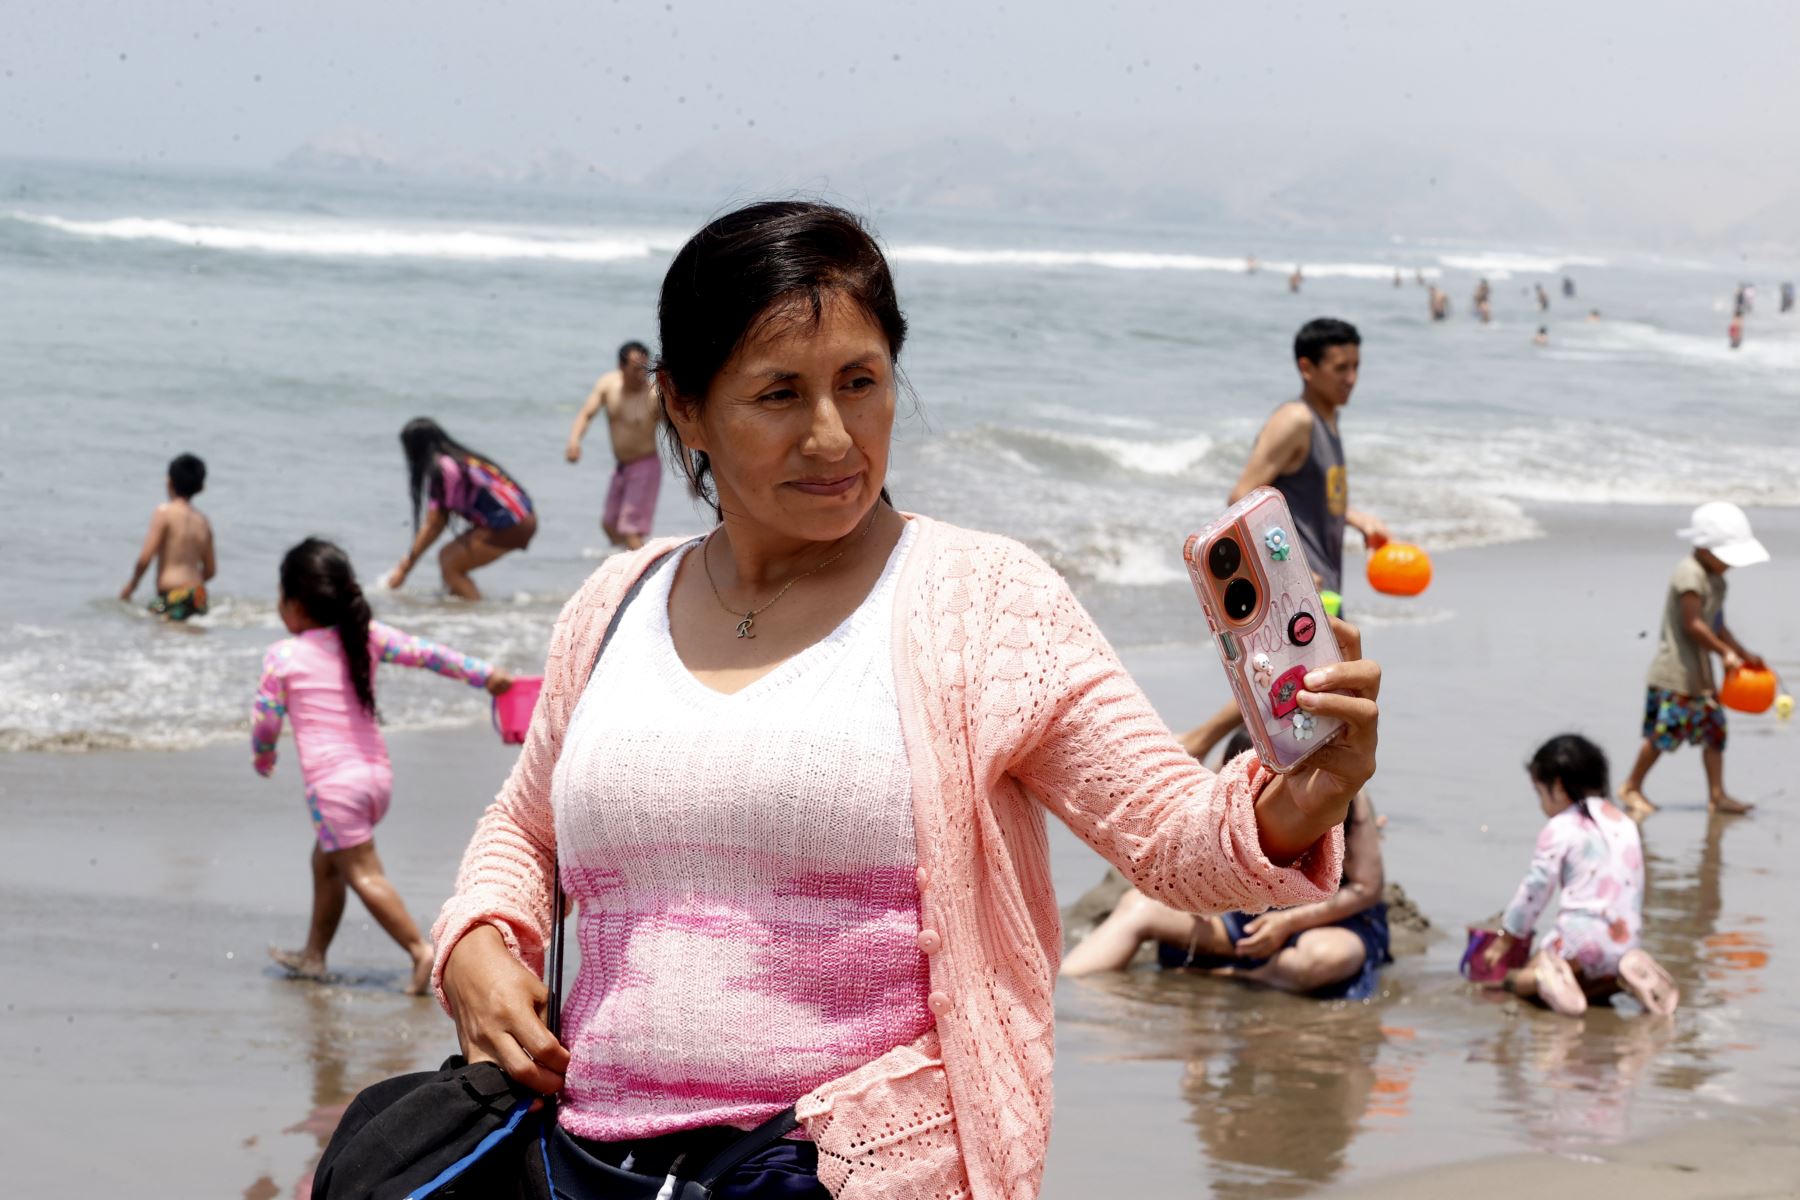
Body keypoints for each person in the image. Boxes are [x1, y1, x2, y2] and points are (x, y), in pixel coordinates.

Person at [429, 201, 1382, 1200]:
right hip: (590, 1161)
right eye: (779, 394)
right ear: (686, 408)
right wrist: (479, 940)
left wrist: (1299, 798)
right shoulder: (613, 605)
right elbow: (525, 824)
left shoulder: (985, 601)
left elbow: (1170, 836)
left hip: (856, 1169)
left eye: (860, 382)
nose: (832, 435)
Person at [253, 538, 512, 994]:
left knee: (363, 872)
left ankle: (420, 951)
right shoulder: (366, 636)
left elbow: (265, 719)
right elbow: (428, 654)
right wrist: (484, 674)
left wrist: (264, 755)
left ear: (293, 604)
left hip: (334, 790)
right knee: (327, 861)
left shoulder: (284, 656)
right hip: (376, 780)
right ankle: (314, 956)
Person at [1062, 727, 1392, 1000]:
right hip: (1244, 916)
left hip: (1324, 920)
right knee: (1138, 909)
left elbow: (1367, 888)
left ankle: (1234, 977)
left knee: (1323, 959)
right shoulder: (1236, 768)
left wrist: (1287, 924)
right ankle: (1062, 991)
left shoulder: (1342, 795)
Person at [1479, 735, 1679, 1018]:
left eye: (1540, 794)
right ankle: (1623, 979)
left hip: (1579, 945)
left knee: (1515, 982)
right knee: (1600, 970)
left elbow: (1535, 889)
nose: (1541, 805)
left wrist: (1506, 938)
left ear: (1558, 787)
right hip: (1626, 941)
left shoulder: (1560, 827)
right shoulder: (1625, 823)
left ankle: (1542, 981)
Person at [1619, 503, 1769, 818]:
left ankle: (1717, 795)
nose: (1730, 565)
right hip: (1676, 674)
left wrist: (1742, 652)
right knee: (1662, 735)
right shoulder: (1689, 574)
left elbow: (1716, 624)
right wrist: (1724, 653)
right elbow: (1694, 624)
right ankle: (1631, 786)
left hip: (1701, 677)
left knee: (1715, 732)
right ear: (1704, 548)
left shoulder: (1717, 580)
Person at [1228, 317, 1390, 600]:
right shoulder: (1296, 420)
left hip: (1324, 592)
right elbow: (1240, 501)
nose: (1351, 379)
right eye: (1341, 368)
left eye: (1356, 367)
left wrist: (1354, 518)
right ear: (1306, 368)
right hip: (1297, 598)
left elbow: (1307, 499)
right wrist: (1291, 569)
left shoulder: (1328, 419)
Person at [385, 418, 537, 600]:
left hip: (512, 523)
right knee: (446, 556)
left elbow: (435, 524)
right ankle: (463, 613)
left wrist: (405, 567)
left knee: (452, 566)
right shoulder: (463, 459)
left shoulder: (444, 469)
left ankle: (477, 616)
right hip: (523, 518)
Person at [566, 340, 663, 551]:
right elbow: (587, 414)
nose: (642, 374)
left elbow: (679, 431)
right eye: (636, 368)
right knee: (610, 525)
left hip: (645, 466)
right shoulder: (608, 385)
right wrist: (574, 441)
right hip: (621, 467)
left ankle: (643, 575)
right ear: (621, 367)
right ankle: (635, 561)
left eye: (645, 368)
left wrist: (693, 473)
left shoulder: (654, 395)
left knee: (630, 530)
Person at [119, 452, 216, 621]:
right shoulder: (203, 521)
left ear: (169, 481)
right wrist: (190, 587)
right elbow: (210, 570)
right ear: (200, 488)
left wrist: (131, 586)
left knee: (154, 626)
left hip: (172, 596)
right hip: (198, 595)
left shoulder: (164, 512)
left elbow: (145, 558)